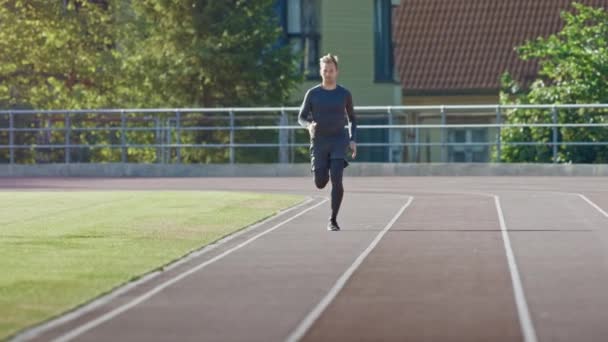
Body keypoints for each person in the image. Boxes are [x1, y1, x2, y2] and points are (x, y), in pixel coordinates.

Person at [298, 53, 357, 231]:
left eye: (331, 70)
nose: (328, 73)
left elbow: (352, 118)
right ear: (321, 72)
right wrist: (309, 125)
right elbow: (301, 117)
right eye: (325, 70)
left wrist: (353, 139)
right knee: (320, 182)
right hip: (319, 142)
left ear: (336, 72)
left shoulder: (344, 94)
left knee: (337, 180)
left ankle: (333, 219)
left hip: (339, 140)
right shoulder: (313, 93)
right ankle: (323, 172)